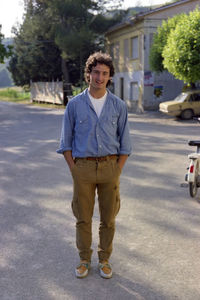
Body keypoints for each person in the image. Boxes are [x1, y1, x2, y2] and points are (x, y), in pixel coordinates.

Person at [57, 52, 132, 279]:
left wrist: (117, 170)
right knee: (83, 218)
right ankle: (84, 259)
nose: (100, 77)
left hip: (110, 168)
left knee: (108, 218)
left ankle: (105, 259)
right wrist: (75, 169)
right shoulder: (75, 105)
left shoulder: (118, 106)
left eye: (105, 73)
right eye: (96, 72)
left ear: (109, 77)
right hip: (83, 169)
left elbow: (125, 144)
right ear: (88, 74)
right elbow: (65, 143)